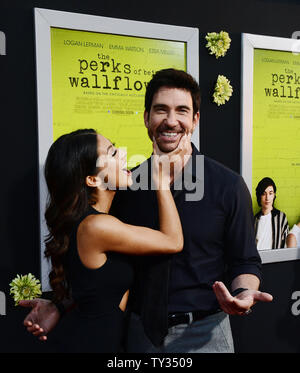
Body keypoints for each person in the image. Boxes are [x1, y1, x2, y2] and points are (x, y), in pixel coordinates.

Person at [20, 69, 273, 353]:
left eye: (182, 110)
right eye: (161, 110)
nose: (171, 120)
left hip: (205, 335)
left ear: (195, 120)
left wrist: (244, 292)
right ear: (146, 118)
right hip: (140, 335)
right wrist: (61, 305)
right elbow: (100, 271)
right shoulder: (124, 186)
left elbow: (246, 261)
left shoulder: (227, 185)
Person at [23, 128, 187, 352]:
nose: (122, 153)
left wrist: (58, 307)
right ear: (92, 179)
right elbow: (173, 241)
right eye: (111, 153)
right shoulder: (96, 226)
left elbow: (93, 291)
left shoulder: (94, 221)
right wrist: (159, 179)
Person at [254, 177, 289, 250]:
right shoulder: (254, 220)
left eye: (270, 193)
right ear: (259, 196)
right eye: (264, 194)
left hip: (276, 259)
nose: (267, 198)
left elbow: (285, 245)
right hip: (257, 260)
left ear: (274, 195)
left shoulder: (281, 217)